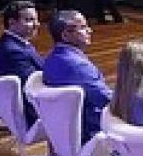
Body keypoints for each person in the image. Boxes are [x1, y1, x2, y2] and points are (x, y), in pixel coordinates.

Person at [43, 10, 111, 143]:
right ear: (65, 35)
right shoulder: (77, 66)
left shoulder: (52, 58)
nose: (90, 31)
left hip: (64, 130)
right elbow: (105, 99)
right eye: (83, 27)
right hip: (91, 132)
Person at [0, 0, 43, 127]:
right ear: (12, 23)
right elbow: (32, 88)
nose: (37, 24)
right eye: (29, 20)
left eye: (36, 19)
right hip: (34, 114)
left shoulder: (14, 43)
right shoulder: (12, 51)